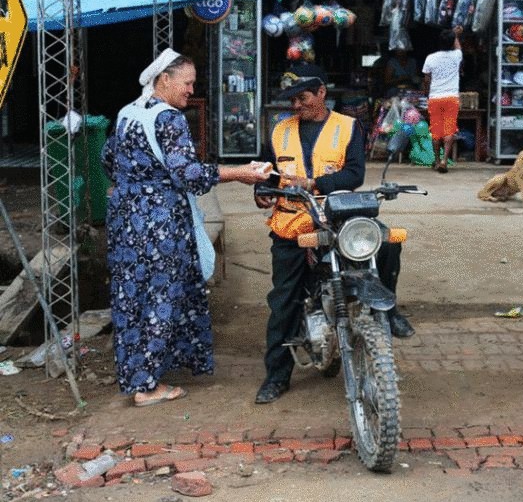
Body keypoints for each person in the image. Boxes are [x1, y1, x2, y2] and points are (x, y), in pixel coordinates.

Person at [102, 48, 270, 407]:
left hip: (126, 221)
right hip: (160, 222)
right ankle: (146, 386)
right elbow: (189, 175)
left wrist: (135, 186)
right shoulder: (170, 119)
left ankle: (139, 373)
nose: (191, 90)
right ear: (164, 79)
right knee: (162, 296)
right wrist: (239, 173)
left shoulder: (127, 112)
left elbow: (108, 161)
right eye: (187, 82)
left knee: (133, 296)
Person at [253, 62, 413, 405]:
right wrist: (262, 191)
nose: (296, 105)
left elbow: (354, 174)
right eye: (292, 99)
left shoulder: (348, 126)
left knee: (386, 244)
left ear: (322, 93)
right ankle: (277, 376)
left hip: (337, 216)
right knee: (284, 301)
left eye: (303, 97)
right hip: (291, 223)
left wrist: (315, 183)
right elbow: (266, 173)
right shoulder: (279, 130)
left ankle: (389, 309)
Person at [422, 25, 463, 173]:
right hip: (451, 98)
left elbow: (426, 79)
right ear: (452, 42)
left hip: (435, 97)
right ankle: (445, 160)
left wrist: (427, 94)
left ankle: (437, 160)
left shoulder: (430, 58)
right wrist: (456, 35)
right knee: (449, 129)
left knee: (436, 130)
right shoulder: (456, 56)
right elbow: (458, 46)